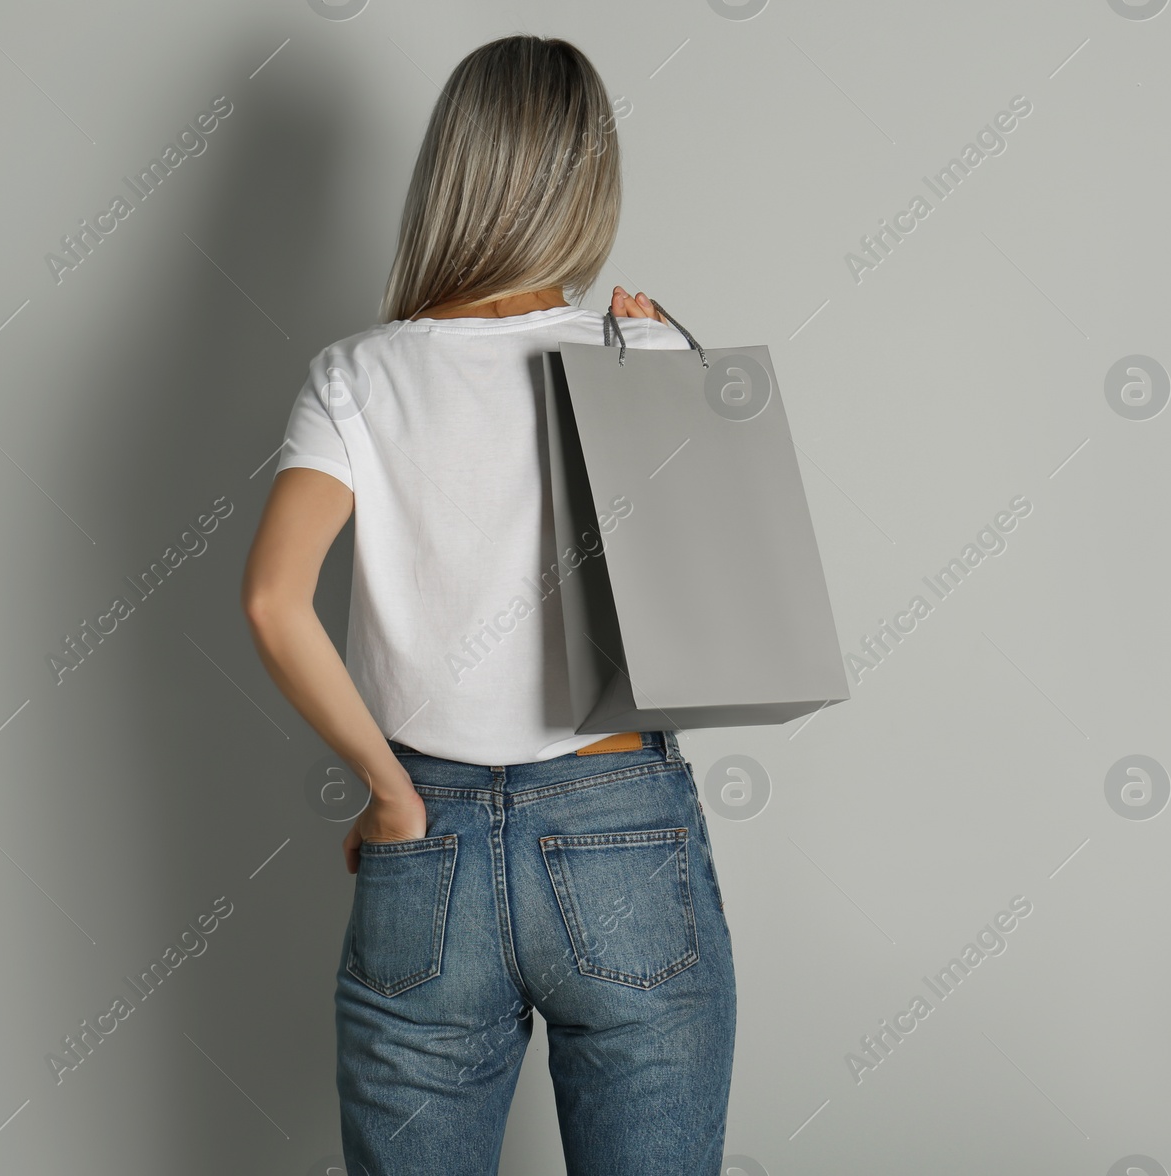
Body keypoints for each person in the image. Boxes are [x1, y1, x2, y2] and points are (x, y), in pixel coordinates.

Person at [240, 33, 736, 1176]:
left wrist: (389, 799)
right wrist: (673, 370)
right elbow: (712, 611)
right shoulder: (635, 349)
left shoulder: (355, 374)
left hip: (428, 846)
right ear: (587, 183)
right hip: (620, 828)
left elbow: (273, 601)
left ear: (447, 175)